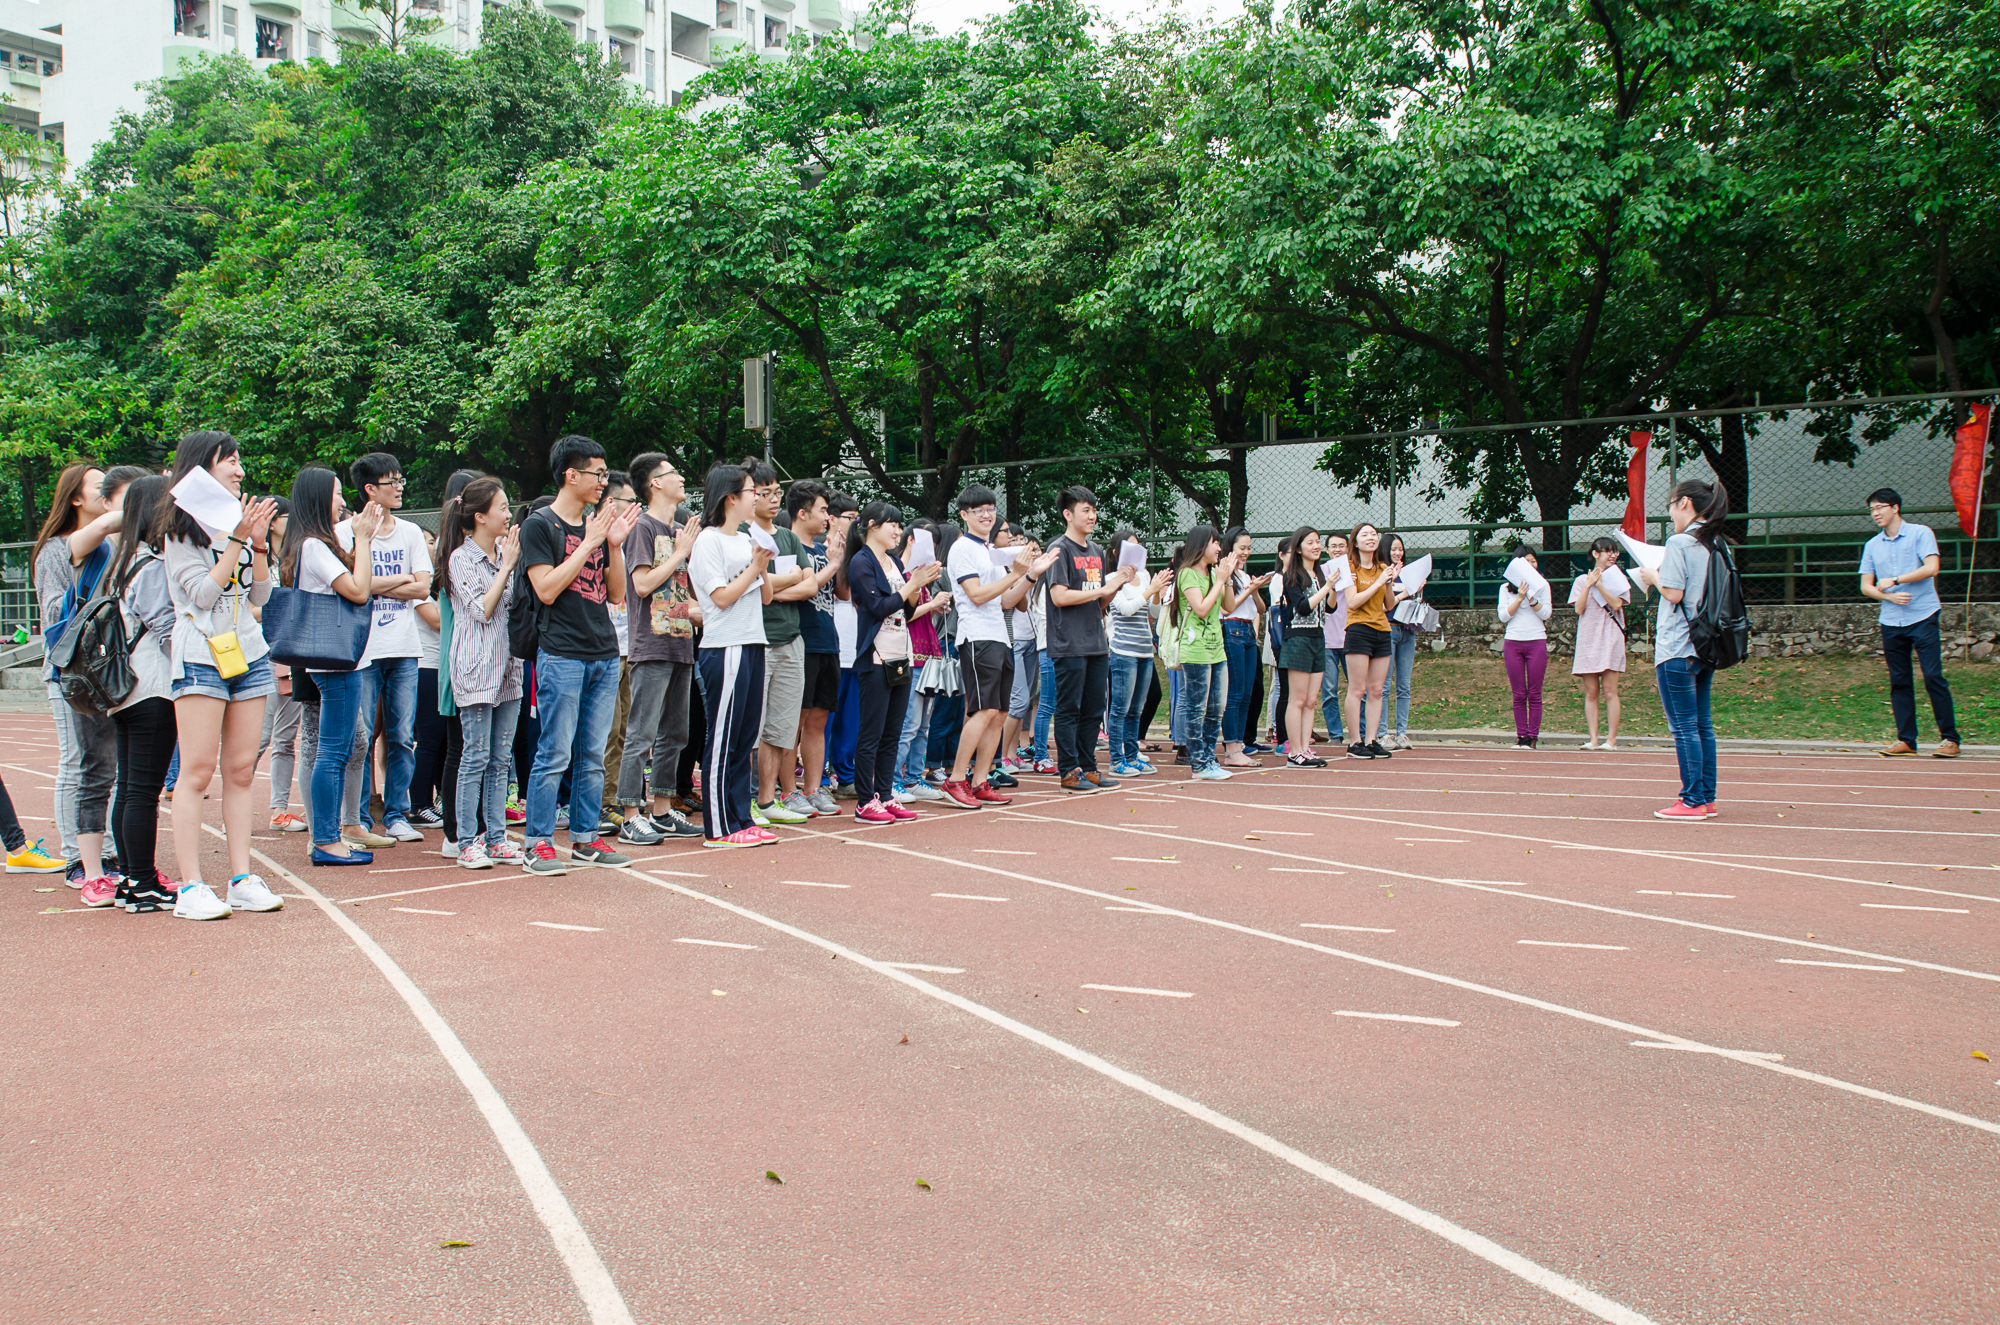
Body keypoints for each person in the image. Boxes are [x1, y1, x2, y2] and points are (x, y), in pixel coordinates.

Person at [165, 432, 282, 920]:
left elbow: (260, 599)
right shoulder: (180, 533)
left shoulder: (241, 527)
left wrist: (258, 547)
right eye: (229, 462)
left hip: (249, 655)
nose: (239, 471)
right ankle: (191, 886)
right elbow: (202, 597)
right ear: (200, 470)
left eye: (239, 462)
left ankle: (240, 877)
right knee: (195, 772)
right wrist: (237, 540)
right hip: (200, 655)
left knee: (240, 770)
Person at [519, 435, 641, 874]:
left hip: (604, 651)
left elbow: (615, 595)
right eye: (597, 473)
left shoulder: (597, 528)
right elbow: (547, 589)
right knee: (555, 753)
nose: (602, 482)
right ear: (571, 475)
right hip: (562, 654)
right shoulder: (540, 525)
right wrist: (590, 542)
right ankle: (538, 842)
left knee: (593, 753)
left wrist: (613, 544)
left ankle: (586, 838)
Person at [336, 452, 433, 851]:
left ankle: (395, 813)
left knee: (401, 736)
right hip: (362, 649)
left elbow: (423, 588)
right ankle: (358, 818)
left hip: (404, 648)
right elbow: (351, 587)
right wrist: (399, 579)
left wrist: (374, 582)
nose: (399, 487)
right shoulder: (345, 533)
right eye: (391, 482)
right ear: (369, 489)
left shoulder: (411, 532)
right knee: (359, 737)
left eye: (400, 480)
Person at [284, 467, 378, 866]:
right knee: (333, 751)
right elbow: (359, 590)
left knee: (339, 747)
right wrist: (363, 539)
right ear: (320, 498)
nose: (344, 501)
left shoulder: (308, 545)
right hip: (334, 660)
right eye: (338, 493)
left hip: (331, 658)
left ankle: (331, 835)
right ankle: (325, 839)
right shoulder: (313, 547)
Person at [33, 462, 120, 888]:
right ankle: (76, 857)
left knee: (111, 765)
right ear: (76, 499)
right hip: (72, 672)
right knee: (77, 762)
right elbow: (52, 614)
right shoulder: (56, 549)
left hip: (112, 671)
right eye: (98, 488)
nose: (106, 495)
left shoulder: (115, 544)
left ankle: (107, 852)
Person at [613, 453, 703, 843]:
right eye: (673, 473)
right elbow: (643, 586)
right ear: (655, 483)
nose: (681, 478)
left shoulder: (680, 527)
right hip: (651, 644)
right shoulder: (643, 528)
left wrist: (697, 609)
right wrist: (681, 553)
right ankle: (631, 812)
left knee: (675, 734)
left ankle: (663, 809)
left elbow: (675, 595)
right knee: (642, 734)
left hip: (682, 641)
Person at [943, 485, 1052, 806]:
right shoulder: (962, 548)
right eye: (979, 510)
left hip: (1000, 638)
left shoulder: (989, 550)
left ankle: (980, 780)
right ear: (964, 515)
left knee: (1000, 713)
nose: (987, 515)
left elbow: (1005, 600)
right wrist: (1016, 572)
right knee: (983, 709)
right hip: (977, 638)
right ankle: (955, 779)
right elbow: (976, 595)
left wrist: (1030, 576)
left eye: (991, 508)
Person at [101, 476, 181, 912]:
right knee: (142, 790)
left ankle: (131, 879)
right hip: (151, 687)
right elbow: (168, 629)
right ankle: (144, 880)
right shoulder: (149, 565)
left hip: (124, 690)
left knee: (130, 787)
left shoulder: (121, 561)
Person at [442, 476, 529, 870]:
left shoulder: (503, 555)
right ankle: (466, 841)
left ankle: (496, 838)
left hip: (509, 667)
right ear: (479, 516)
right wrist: (507, 566)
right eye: (502, 508)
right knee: (474, 756)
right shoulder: (461, 558)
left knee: (500, 758)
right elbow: (482, 609)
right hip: (476, 667)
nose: (508, 515)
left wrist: (511, 563)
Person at [690, 463, 777, 847]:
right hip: (724, 647)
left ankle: (741, 817)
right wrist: (754, 568)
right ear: (730, 497)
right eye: (749, 491)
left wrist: (763, 565)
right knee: (723, 738)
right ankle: (719, 826)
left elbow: (767, 595)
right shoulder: (708, 541)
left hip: (753, 642)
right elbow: (720, 598)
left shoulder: (744, 539)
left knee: (744, 739)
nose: (755, 497)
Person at [1635, 479, 1731, 818]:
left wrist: (1652, 577)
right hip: (1705, 644)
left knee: (1684, 727)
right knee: (1701, 724)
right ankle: (1705, 795)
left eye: (1671, 506)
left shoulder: (1680, 541)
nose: (1671, 513)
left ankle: (1691, 799)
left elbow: (1674, 593)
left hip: (1678, 644)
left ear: (1685, 503)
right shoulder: (1716, 542)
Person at [845, 500, 937, 821]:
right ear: (871, 525)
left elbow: (907, 611)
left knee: (892, 732)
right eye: (892, 525)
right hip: (875, 657)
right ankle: (864, 801)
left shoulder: (894, 562)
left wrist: (918, 584)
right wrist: (913, 583)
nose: (898, 531)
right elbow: (878, 606)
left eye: (899, 525)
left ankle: (885, 794)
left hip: (902, 653)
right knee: (871, 732)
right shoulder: (861, 562)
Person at [734, 459, 813, 827]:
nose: (772, 498)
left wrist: (769, 585)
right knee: (750, 727)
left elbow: (810, 586)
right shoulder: (740, 535)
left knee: (781, 728)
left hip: (791, 640)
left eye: (776, 491)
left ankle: (767, 800)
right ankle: (745, 800)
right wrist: (785, 581)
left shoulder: (789, 537)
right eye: (763, 492)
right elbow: (750, 584)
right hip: (755, 641)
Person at [1861, 488, 1962, 758]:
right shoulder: (1872, 545)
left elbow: (1932, 568)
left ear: (1895, 507)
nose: (1876, 513)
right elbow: (1866, 586)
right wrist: (1889, 597)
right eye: (1872, 510)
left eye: (1880, 507)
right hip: (1891, 620)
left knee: (1932, 676)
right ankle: (1906, 741)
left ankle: (1950, 739)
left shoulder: (1920, 533)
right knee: (1899, 680)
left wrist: (1895, 580)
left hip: (1923, 615)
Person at [1047, 487, 1131, 794]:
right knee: (1069, 709)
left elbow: (1099, 604)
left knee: (1094, 709)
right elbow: (1059, 596)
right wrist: (1101, 590)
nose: (1092, 515)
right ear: (1068, 514)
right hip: (1068, 643)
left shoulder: (1095, 551)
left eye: (1094, 509)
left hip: (1096, 641)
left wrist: (1117, 584)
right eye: (1085, 510)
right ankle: (1069, 771)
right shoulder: (1059, 549)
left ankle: (1089, 767)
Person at [421, 468, 483, 854]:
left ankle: (463, 828)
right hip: (459, 658)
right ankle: (456, 833)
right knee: (460, 748)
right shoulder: (459, 554)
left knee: (466, 748)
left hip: (465, 657)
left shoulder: (454, 549)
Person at [788, 480, 845, 818]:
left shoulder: (825, 551)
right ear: (802, 512)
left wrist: (839, 557)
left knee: (819, 719)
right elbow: (803, 588)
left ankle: (814, 787)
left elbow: (843, 594)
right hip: (801, 640)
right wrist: (833, 565)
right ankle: (790, 790)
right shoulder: (788, 545)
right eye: (823, 510)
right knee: (794, 720)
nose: (827, 517)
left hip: (828, 641)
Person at [253, 498, 309, 832]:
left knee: (286, 739)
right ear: (273, 521)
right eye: (289, 517)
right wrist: (280, 604)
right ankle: (237, 799)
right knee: (257, 738)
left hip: (290, 657)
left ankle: (278, 810)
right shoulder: (255, 560)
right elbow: (248, 608)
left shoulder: (296, 560)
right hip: (261, 658)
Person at [891, 519, 952, 804]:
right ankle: (894, 779)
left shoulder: (921, 575)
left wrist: (937, 605)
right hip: (911, 654)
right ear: (912, 541)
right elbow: (902, 614)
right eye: (929, 546)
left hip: (929, 654)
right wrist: (932, 603)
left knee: (923, 724)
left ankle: (914, 777)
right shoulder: (900, 573)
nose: (933, 554)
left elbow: (923, 613)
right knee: (909, 723)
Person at [1169, 524, 1233, 781]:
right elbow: (1202, 609)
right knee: (1197, 708)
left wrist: (1224, 580)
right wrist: (1219, 581)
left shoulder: (1213, 574)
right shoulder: (1187, 574)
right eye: (1214, 543)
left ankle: (1209, 758)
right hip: (1195, 650)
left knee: (1217, 708)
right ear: (1200, 546)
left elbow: (1227, 607)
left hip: (1217, 649)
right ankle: (1198, 764)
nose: (1219, 548)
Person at [595, 470, 639, 837]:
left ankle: (613, 798)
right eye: (628, 501)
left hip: (630, 647)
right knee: (606, 731)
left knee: (624, 730)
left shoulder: (627, 542)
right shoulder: (595, 540)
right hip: (603, 648)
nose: (634, 508)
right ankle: (598, 803)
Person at [1106, 530, 1167, 778]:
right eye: (1129, 547)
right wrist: (1148, 589)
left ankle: (1132, 756)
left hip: (1144, 650)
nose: (1136, 552)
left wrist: (1155, 591)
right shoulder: (1112, 578)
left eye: (1138, 547)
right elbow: (1126, 609)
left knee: (1136, 709)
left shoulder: (1144, 576)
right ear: (1116, 553)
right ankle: (1116, 759)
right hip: (1123, 650)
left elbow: (1153, 612)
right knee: (1120, 707)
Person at [1278, 527, 1337, 767]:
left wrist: (1332, 587)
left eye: (1318, 542)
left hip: (1318, 637)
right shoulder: (1293, 575)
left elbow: (1330, 607)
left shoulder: (1321, 573)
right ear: (1299, 547)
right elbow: (1302, 607)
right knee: (1298, 699)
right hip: (1299, 637)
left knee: (1311, 699)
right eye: (1310, 542)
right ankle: (1295, 752)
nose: (1316, 546)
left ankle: (1306, 748)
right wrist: (1325, 588)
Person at [1341, 522, 1399, 760]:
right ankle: (1354, 742)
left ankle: (1371, 740)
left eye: (1374, 534)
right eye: (1365, 535)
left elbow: (1389, 604)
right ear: (1355, 542)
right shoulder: (1350, 568)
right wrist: (1377, 582)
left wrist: (1388, 582)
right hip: (1358, 629)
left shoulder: (1383, 568)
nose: (1371, 538)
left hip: (1382, 630)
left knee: (1377, 690)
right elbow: (1352, 602)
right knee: (1357, 688)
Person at [1217, 526, 1270, 767]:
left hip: (1248, 630)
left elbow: (1260, 609)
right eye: (1242, 548)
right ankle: (1231, 748)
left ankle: (1239, 745)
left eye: (1249, 548)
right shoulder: (1223, 573)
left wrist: (1255, 589)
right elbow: (1226, 608)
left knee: (1248, 693)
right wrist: (1249, 589)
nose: (1246, 553)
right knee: (1235, 693)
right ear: (1230, 548)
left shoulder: (1244, 575)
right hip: (1232, 629)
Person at [1569, 537, 1629, 750]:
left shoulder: (1618, 579)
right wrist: (1588, 585)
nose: (1612, 555)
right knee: (1591, 691)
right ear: (1596, 554)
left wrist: (1601, 585)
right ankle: (1593, 738)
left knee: (1610, 690)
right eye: (1607, 551)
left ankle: (1611, 740)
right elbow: (1579, 609)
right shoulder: (1580, 580)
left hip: (1611, 635)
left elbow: (1617, 604)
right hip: (1589, 637)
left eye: (1614, 552)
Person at [823, 492, 862, 799]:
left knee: (850, 720)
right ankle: (820, 779)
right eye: (851, 517)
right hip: (829, 645)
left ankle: (846, 776)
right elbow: (843, 593)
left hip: (855, 647)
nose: (856, 523)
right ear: (832, 519)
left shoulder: (860, 551)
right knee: (821, 719)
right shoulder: (822, 549)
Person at [1499, 545, 1553, 750]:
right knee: (1519, 693)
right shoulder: (1505, 589)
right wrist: (1519, 597)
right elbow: (1503, 616)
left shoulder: (1543, 586)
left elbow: (1546, 613)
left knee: (1535, 693)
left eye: (1534, 561)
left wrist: (1531, 599)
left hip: (1536, 641)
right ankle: (1521, 736)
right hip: (1513, 642)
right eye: (1526, 562)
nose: (1531, 565)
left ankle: (1532, 737)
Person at [1381, 533, 1420, 749]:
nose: (1398, 553)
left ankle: (1402, 733)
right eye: (1394, 549)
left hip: (1408, 631)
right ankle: (1383, 732)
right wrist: (1405, 593)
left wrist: (1416, 590)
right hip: (1388, 629)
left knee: (1404, 685)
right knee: (1384, 685)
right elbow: (1384, 605)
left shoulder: (1408, 573)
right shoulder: (1382, 573)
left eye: (1400, 549)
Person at [1319, 531, 1350, 747]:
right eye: (1333, 546)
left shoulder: (1354, 570)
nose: (1337, 549)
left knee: (1359, 688)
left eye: (1342, 545)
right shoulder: (1320, 572)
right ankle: (1335, 734)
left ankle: (1363, 731)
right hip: (1327, 639)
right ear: (1326, 549)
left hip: (1351, 637)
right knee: (1329, 691)